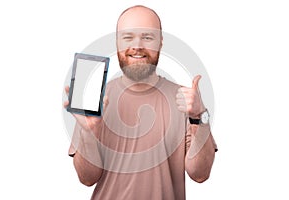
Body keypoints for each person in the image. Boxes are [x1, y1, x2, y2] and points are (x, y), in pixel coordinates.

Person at [64, 5, 217, 200]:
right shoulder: (96, 99)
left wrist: (199, 118)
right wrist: (88, 133)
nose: (137, 46)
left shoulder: (186, 101)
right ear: (117, 43)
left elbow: (200, 174)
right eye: (128, 37)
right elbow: (87, 178)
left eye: (147, 37)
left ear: (160, 43)